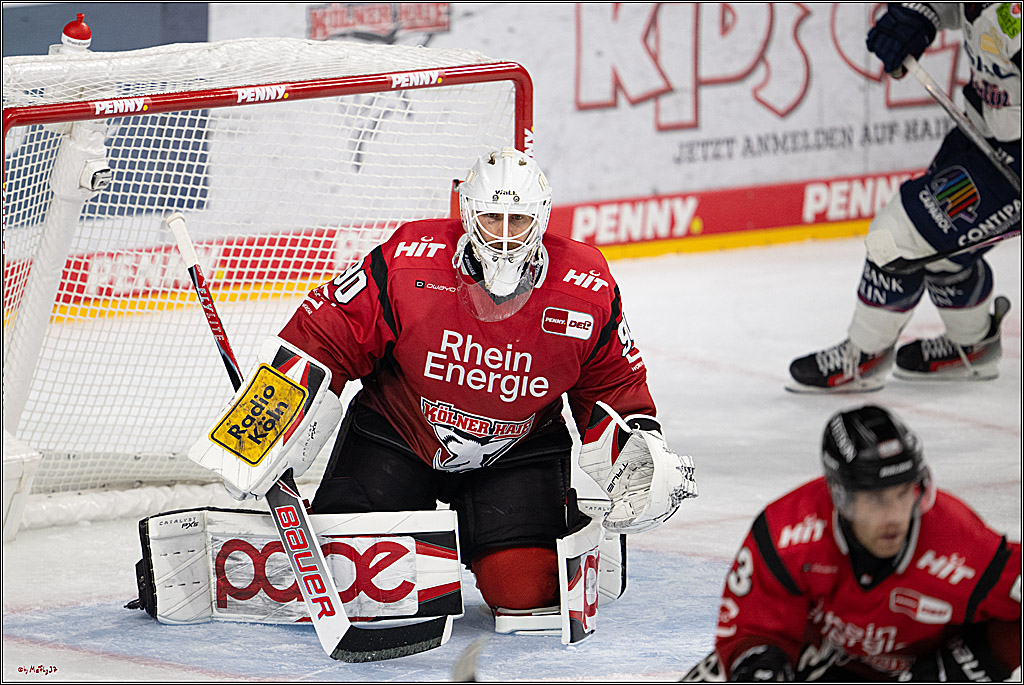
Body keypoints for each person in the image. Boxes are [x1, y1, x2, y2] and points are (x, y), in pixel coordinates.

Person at [196, 147, 698, 620]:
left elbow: (613, 382)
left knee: (525, 593)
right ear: (468, 214)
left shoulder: (585, 286)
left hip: (517, 447)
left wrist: (639, 445)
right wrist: (255, 429)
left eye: (518, 220)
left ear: (541, 219)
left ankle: (558, 531)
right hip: (399, 433)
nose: (504, 236)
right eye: (491, 219)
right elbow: (327, 336)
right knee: (358, 578)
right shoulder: (408, 258)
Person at [788, 3, 1020, 392]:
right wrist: (918, 16)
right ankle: (972, 346)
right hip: (981, 131)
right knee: (945, 250)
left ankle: (864, 355)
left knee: (895, 238)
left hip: (1014, 161)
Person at [706, 405, 1021, 681]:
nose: (895, 517)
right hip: (821, 656)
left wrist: (973, 663)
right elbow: (753, 630)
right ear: (841, 497)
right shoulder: (787, 532)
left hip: (917, 668)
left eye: (903, 493)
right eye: (875, 499)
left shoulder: (961, 544)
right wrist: (760, 665)